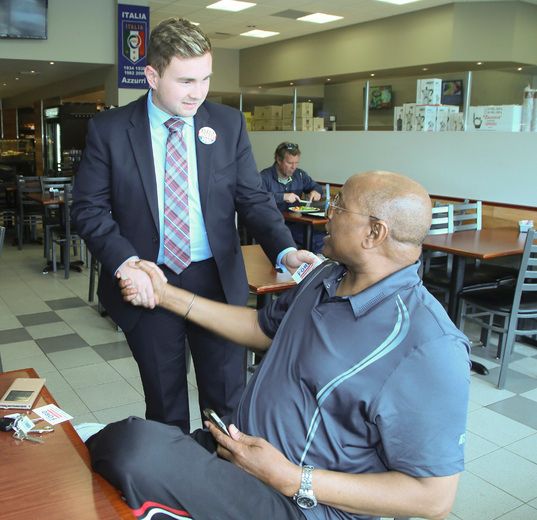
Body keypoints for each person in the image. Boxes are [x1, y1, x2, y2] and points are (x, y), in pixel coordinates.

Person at [87, 171, 471, 520]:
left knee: (134, 448)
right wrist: (165, 295)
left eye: (338, 206)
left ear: (374, 233)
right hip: (234, 453)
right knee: (98, 447)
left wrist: (292, 479)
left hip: (296, 504)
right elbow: (261, 327)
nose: (326, 213)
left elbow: (433, 498)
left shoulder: (429, 345)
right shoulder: (326, 275)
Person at [71, 18, 314, 432]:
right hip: (149, 280)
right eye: (185, 80)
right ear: (152, 75)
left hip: (215, 280)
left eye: (205, 78)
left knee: (226, 403)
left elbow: (251, 199)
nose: (198, 92)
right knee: (164, 404)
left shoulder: (226, 124)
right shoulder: (110, 130)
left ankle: (222, 487)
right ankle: (173, 487)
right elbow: (88, 209)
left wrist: (285, 249)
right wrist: (126, 262)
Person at [260, 142, 325, 253]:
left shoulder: (299, 175)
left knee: (323, 239)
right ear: (278, 160)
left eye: (296, 163)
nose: (294, 167)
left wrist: (316, 191)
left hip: (297, 223)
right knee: (315, 242)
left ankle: (314, 268)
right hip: (274, 225)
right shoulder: (264, 177)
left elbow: (316, 186)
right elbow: (258, 198)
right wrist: (282, 197)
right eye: (289, 163)